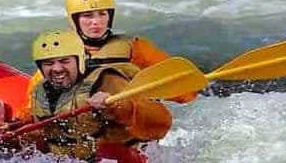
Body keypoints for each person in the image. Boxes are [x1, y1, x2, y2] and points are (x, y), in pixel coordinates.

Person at [21, 0, 196, 118]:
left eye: (101, 14)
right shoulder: (60, 53)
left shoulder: (135, 48)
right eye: (88, 16)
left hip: (126, 121)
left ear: (109, 16)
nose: (96, 22)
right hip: (83, 126)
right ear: (75, 20)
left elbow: (184, 93)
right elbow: (34, 101)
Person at [18, 30, 173, 163]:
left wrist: (117, 106)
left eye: (65, 61)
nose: (57, 69)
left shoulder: (106, 81)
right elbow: (40, 137)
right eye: (48, 63)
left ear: (79, 61)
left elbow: (161, 122)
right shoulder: (40, 91)